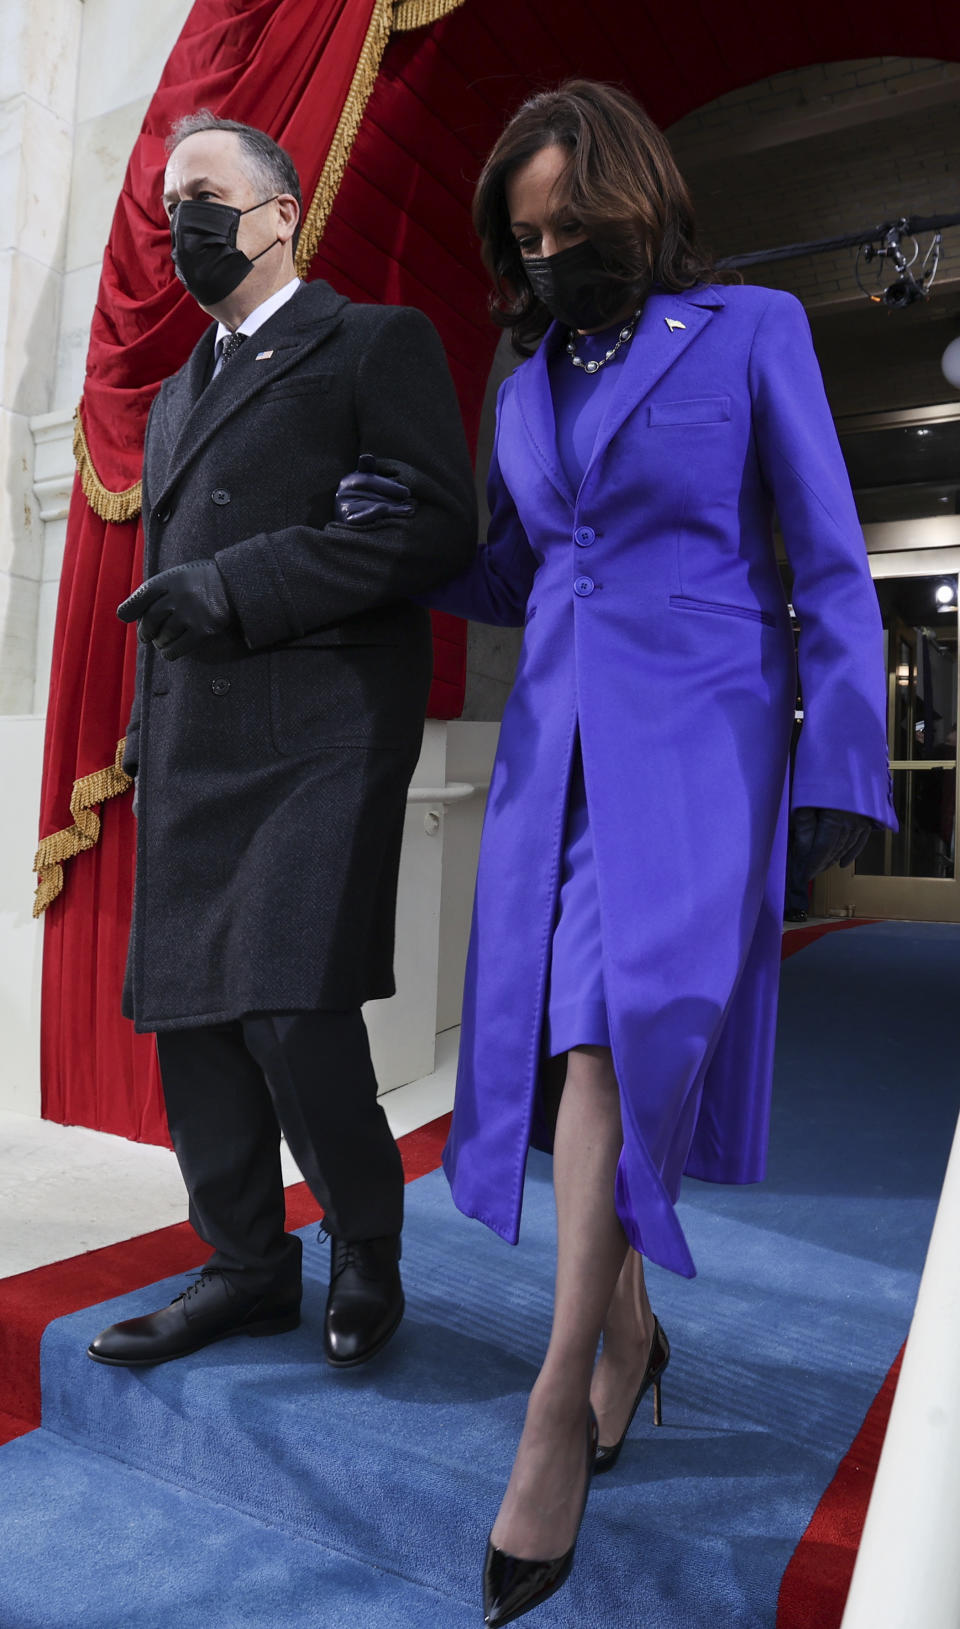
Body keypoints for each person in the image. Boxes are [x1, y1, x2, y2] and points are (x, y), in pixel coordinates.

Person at [342, 80, 895, 1625]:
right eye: (526, 235)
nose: (550, 251)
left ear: (637, 199)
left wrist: (841, 751)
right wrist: (400, 543)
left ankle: (554, 1407)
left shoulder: (753, 329)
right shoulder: (522, 387)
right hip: (559, 749)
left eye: (572, 222)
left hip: (709, 740)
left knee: (608, 1046)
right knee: (577, 1042)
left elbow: (832, 554)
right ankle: (631, 1331)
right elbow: (521, 568)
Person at [87, 113, 476, 1373]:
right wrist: (143, 734)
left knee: (293, 1007)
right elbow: (163, 580)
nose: (179, 217)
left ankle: (366, 1248)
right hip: (195, 745)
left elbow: (427, 529)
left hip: (319, 732)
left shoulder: (369, 340)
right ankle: (249, 1268)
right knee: (193, 1021)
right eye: (165, 201)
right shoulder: (174, 396)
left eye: (202, 190)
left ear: (279, 210)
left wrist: (242, 585)